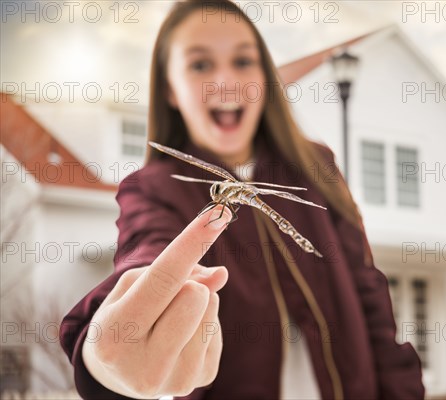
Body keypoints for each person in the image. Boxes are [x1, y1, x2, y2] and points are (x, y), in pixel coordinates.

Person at [59, 0, 425, 399]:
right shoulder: (153, 188)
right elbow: (148, 254)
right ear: (169, 89)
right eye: (199, 65)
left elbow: (367, 290)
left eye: (243, 61)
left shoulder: (316, 167)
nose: (225, 81)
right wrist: (108, 354)